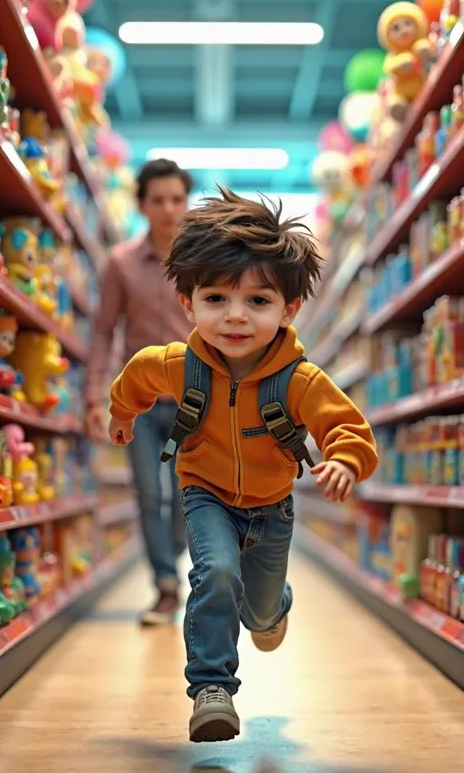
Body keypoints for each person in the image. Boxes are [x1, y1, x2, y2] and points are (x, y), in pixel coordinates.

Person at [107, 188, 378, 743]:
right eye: (215, 299)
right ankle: (212, 689)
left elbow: (346, 426)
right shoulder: (179, 366)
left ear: (289, 309)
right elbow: (136, 375)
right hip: (204, 491)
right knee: (215, 574)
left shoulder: (299, 380)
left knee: (257, 612)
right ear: (188, 302)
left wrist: (346, 461)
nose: (235, 317)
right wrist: (123, 415)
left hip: (272, 506)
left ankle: (274, 605)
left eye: (258, 301)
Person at [85, 159, 193, 626]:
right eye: (158, 200)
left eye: (177, 199)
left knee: (189, 496)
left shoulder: (203, 261)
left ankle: (172, 559)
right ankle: (166, 586)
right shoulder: (121, 264)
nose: (169, 209)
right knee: (149, 495)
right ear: (141, 205)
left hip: (194, 404)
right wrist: (94, 398)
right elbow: (104, 332)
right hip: (141, 406)